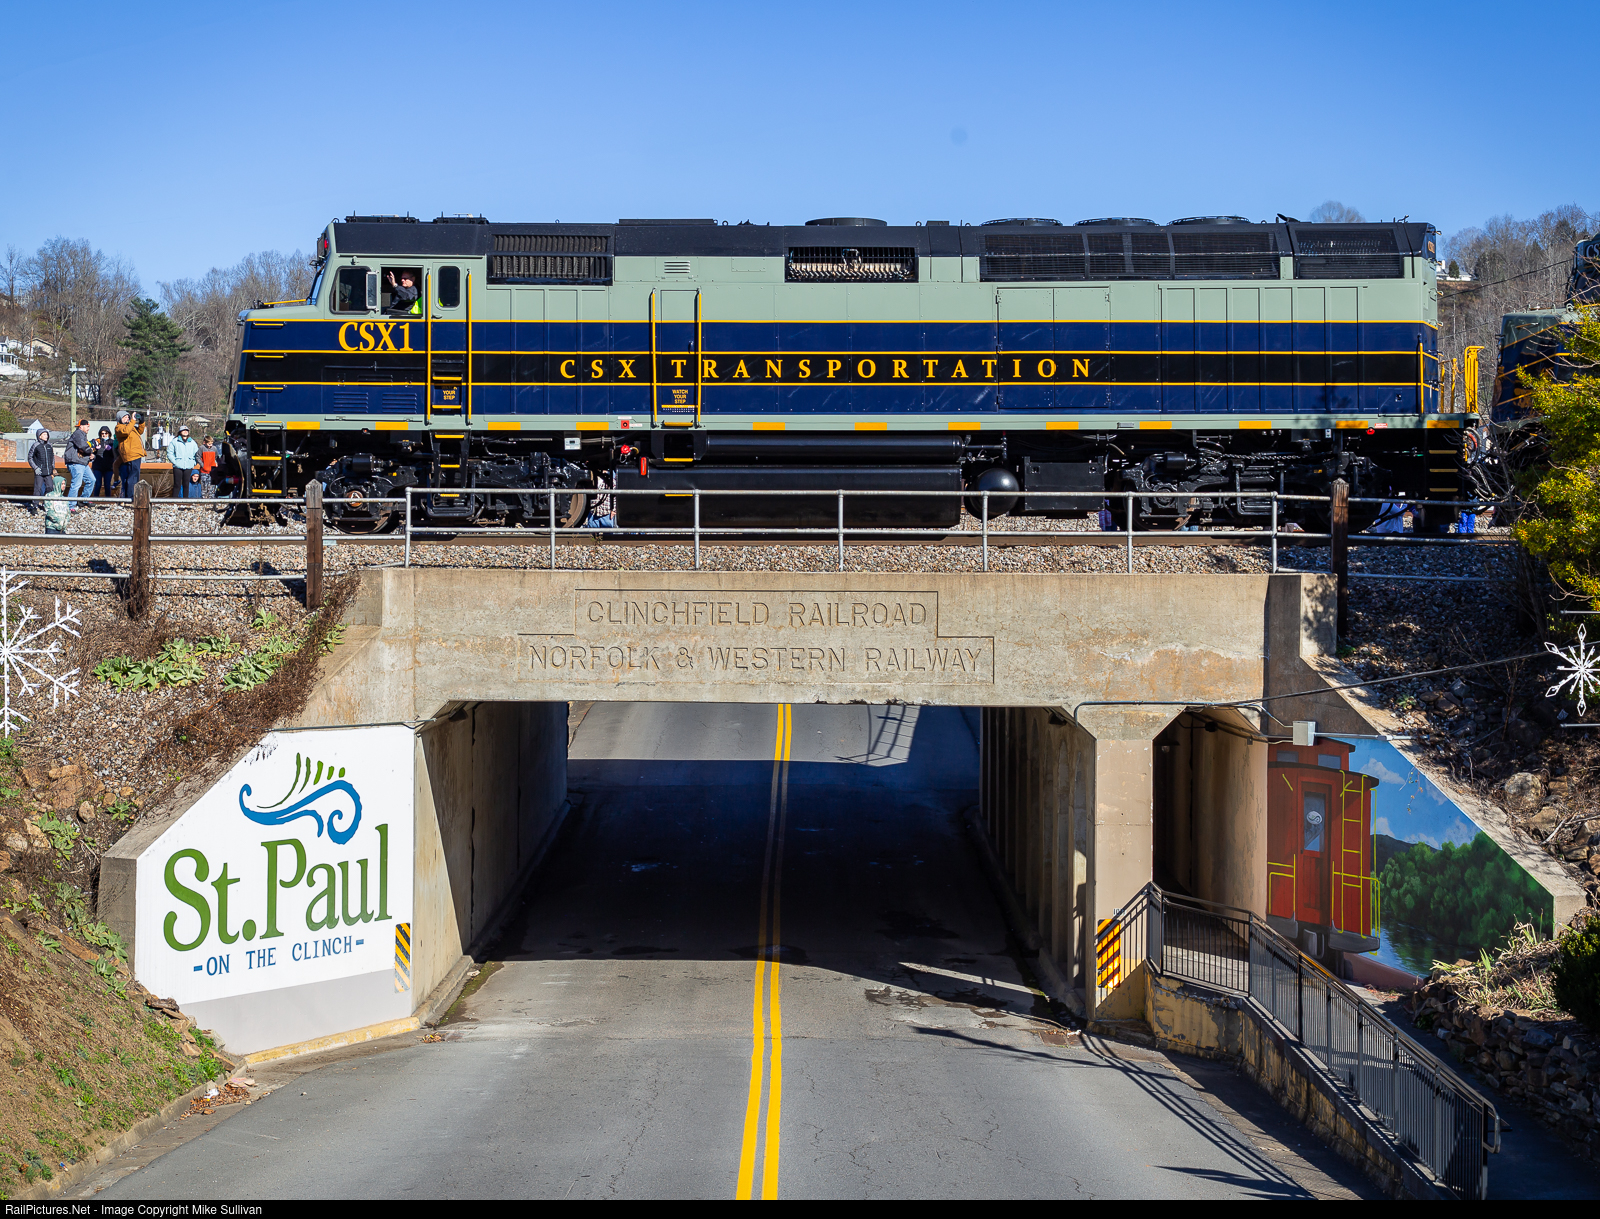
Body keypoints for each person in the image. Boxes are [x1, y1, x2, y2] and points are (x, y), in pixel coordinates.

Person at [115, 411, 146, 498]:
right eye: (124, 417)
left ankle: (128, 497)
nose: (127, 419)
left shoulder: (130, 426)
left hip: (136, 454)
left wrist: (141, 421)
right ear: (119, 419)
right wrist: (133, 420)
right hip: (131, 454)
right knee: (133, 477)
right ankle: (131, 497)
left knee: (133, 476)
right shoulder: (119, 428)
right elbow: (126, 432)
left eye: (128, 417)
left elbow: (140, 431)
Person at [64, 418, 93, 511]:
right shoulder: (78, 434)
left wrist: (91, 455)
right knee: (76, 484)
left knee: (91, 480)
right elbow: (83, 446)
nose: (88, 428)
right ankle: (70, 506)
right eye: (87, 426)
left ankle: (83, 500)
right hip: (75, 463)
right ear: (81, 427)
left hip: (82, 462)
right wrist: (91, 450)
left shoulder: (83, 435)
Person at [25, 427, 53, 516]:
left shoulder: (49, 445)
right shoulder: (35, 445)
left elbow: (52, 457)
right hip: (39, 472)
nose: (46, 436)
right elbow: (30, 458)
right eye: (44, 434)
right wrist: (35, 468)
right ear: (39, 436)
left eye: (47, 434)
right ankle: (34, 506)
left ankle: (46, 504)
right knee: (38, 489)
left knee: (50, 488)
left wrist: (52, 467)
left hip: (48, 471)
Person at [167, 425, 200, 498]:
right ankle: (174, 501)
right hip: (177, 466)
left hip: (189, 466)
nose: (185, 432)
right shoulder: (175, 441)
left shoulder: (192, 442)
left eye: (186, 430)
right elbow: (170, 453)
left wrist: (194, 463)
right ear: (180, 432)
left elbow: (197, 453)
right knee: (177, 484)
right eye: (183, 430)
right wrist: (175, 462)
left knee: (186, 484)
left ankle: (185, 501)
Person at [90, 426, 117, 502]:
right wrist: (94, 450)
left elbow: (115, 454)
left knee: (107, 484)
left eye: (106, 433)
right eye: (102, 433)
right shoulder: (97, 441)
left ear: (109, 434)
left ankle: (108, 500)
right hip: (97, 466)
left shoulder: (112, 442)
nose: (104, 435)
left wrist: (111, 449)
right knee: (98, 484)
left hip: (108, 467)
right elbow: (91, 451)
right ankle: (95, 500)